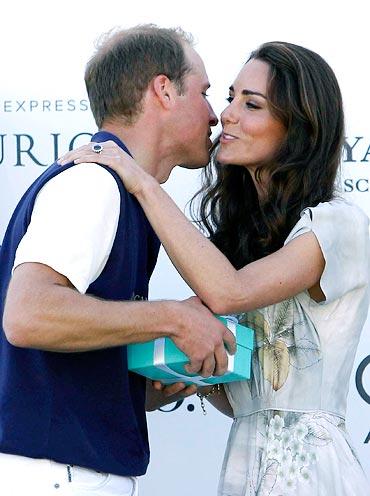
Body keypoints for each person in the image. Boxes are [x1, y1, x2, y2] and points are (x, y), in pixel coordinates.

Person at [59, 41, 370, 495]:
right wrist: (194, 374)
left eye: (252, 104)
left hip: (310, 471)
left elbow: (229, 293)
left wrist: (141, 182)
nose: (227, 115)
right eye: (229, 98)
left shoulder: (339, 224)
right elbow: (250, 396)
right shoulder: (248, 238)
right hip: (245, 461)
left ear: (298, 126)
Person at [0, 25, 236, 496]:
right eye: (206, 92)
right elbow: (27, 316)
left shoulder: (121, 190)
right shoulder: (94, 183)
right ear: (164, 90)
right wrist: (173, 319)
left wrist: (145, 383)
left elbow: (57, 343)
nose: (216, 116)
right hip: (56, 476)